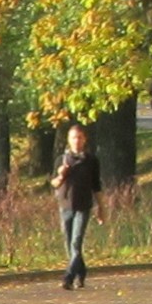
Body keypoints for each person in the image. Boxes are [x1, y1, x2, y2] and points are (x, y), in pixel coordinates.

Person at [54, 122, 102, 290]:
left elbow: (96, 186)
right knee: (69, 245)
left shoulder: (91, 161)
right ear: (68, 139)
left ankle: (68, 277)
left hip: (83, 206)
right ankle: (81, 272)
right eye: (74, 137)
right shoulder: (62, 159)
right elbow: (54, 183)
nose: (77, 141)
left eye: (80, 137)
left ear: (85, 139)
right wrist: (61, 175)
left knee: (76, 242)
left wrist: (100, 208)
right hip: (65, 205)